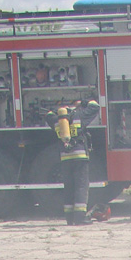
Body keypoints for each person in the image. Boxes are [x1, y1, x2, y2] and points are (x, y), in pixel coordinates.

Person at [46, 93, 100, 226]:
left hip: (65, 157)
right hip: (80, 157)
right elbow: (95, 106)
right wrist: (82, 102)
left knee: (69, 187)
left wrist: (59, 108)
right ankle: (80, 217)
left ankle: (69, 218)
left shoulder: (57, 121)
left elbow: (48, 115)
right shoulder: (79, 116)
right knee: (81, 187)